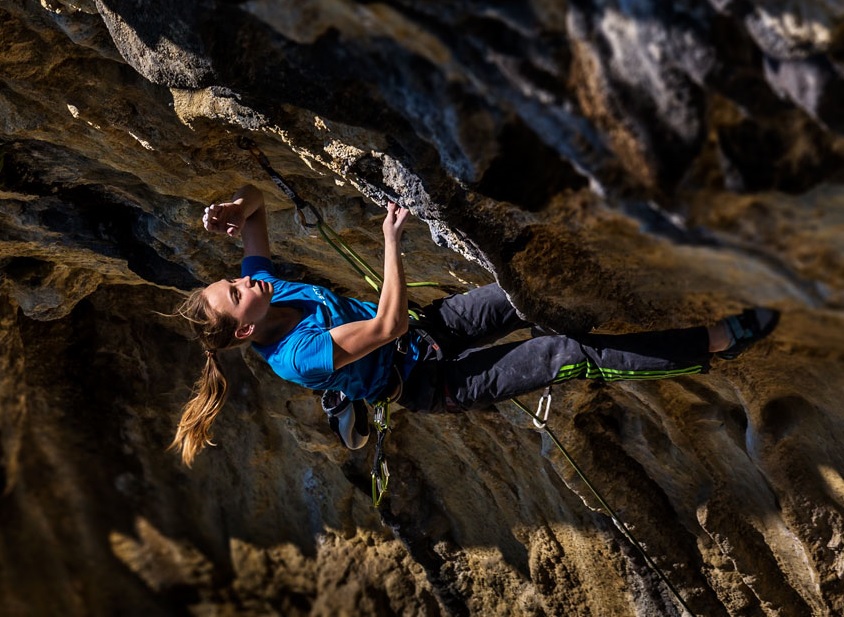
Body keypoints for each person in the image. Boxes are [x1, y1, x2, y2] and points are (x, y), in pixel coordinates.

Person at [172, 185, 779, 466]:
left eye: (233, 278)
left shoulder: (267, 289)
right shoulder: (295, 354)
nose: (243, 280)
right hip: (434, 381)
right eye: (234, 290)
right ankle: (718, 341)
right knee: (560, 351)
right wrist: (390, 241)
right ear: (245, 330)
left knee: (526, 289)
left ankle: (647, 265)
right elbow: (382, 327)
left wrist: (235, 204)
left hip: (426, 331)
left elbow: (256, 213)